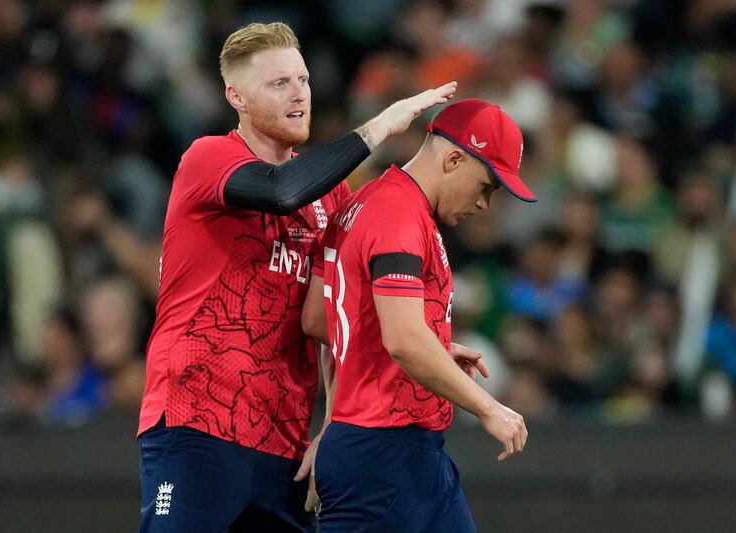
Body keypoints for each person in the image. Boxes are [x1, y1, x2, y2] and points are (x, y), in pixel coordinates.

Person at [136, 21, 457, 533]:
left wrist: (334, 422)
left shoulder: (334, 198)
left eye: (303, 80)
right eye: (278, 83)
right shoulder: (208, 158)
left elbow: (336, 319)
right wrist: (377, 129)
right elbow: (283, 191)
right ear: (235, 95)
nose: (299, 94)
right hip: (197, 423)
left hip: (286, 439)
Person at [301, 98, 533, 532]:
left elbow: (320, 318)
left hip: (400, 449)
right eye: (487, 186)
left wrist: (436, 351)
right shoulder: (399, 216)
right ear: (454, 159)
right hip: (383, 451)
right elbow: (404, 340)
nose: (485, 204)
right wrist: (488, 408)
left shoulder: (365, 200)